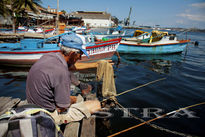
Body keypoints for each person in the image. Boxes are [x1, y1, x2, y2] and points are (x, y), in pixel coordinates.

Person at [26, 33, 101, 125]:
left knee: (68, 71)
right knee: (96, 104)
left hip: (33, 105)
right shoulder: (61, 72)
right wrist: (75, 99)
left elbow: (69, 68)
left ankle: (80, 88)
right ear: (72, 53)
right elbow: (62, 107)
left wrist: (79, 84)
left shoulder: (50, 57)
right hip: (47, 116)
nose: (80, 58)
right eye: (80, 54)